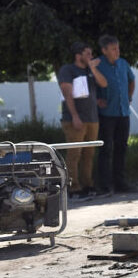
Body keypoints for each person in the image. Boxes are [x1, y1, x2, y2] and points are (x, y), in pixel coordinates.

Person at [57, 41, 107, 198]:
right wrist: (75, 116)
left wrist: (92, 68)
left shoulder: (89, 71)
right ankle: (73, 187)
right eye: (88, 54)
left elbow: (104, 84)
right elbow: (67, 93)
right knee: (74, 154)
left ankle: (88, 185)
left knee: (89, 154)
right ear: (78, 55)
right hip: (75, 119)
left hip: (92, 118)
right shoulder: (68, 70)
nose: (91, 57)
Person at [95, 34, 136, 194]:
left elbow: (131, 80)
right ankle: (104, 185)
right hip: (106, 113)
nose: (117, 51)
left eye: (118, 48)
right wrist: (98, 99)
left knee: (122, 148)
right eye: (113, 49)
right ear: (104, 50)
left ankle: (120, 183)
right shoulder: (98, 64)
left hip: (123, 112)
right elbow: (91, 85)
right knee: (105, 149)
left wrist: (129, 96)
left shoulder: (123, 63)